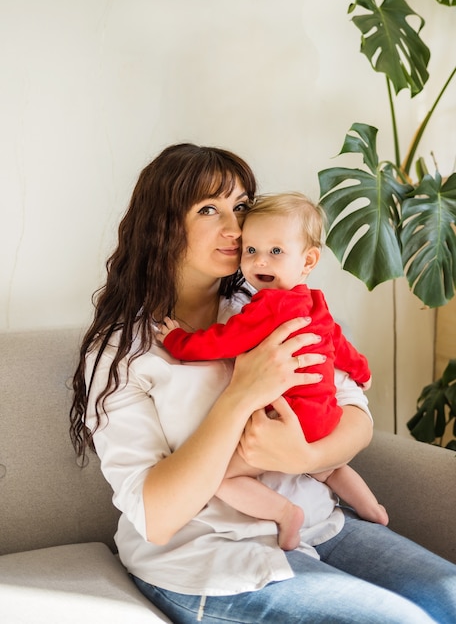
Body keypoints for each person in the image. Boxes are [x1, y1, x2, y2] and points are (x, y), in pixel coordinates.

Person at [70, 143, 456, 623]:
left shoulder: (271, 305)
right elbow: (158, 516)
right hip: (207, 559)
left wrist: (309, 458)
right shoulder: (122, 353)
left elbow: (354, 412)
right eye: (209, 208)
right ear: (162, 224)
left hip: (320, 526)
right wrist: (242, 394)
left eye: (241, 207)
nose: (235, 228)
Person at [157, 191, 388, 550]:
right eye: (251, 250)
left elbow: (222, 340)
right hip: (325, 418)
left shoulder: (266, 308)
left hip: (287, 421)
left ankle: (284, 514)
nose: (260, 260)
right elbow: (339, 344)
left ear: (308, 259)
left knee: (220, 479)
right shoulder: (316, 302)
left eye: (275, 251)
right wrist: (362, 370)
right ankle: (372, 508)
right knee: (330, 468)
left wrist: (177, 341)